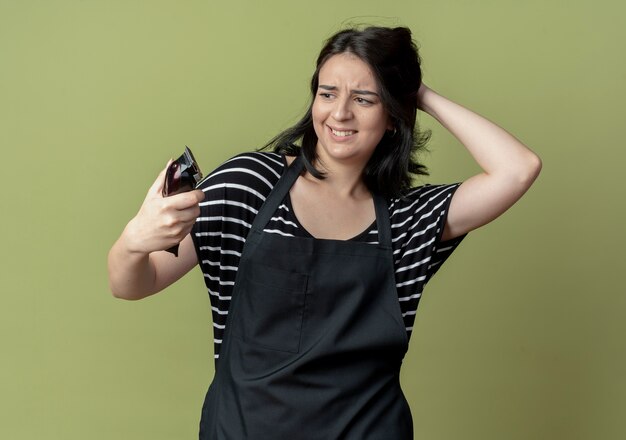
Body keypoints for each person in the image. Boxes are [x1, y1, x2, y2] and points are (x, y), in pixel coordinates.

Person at [108, 26, 541, 439]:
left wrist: (416, 92)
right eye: (327, 93)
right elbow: (131, 284)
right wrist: (134, 242)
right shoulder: (249, 185)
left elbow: (518, 169)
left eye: (365, 98)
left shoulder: (408, 220)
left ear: (393, 116)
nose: (340, 113)